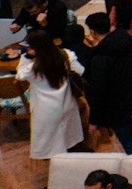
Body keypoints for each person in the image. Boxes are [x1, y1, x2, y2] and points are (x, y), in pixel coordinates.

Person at [85, 0, 132, 154]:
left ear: (93, 33)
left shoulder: (100, 58)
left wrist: (94, 120)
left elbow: (98, 91)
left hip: (118, 110)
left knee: (131, 145)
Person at [16, 30, 84, 158]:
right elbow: (80, 70)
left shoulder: (32, 69)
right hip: (67, 104)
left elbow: (19, 75)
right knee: (69, 137)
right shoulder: (66, 55)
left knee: (50, 145)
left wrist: (26, 57)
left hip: (45, 110)